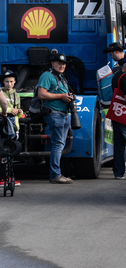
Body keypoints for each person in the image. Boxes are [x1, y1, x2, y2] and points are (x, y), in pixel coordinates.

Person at [38, 53, 74, 184]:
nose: (62, 65)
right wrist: (61, 97)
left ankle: (56, 173)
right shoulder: (47, 76)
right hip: (55, 114)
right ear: (52, 63)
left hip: (63, 114)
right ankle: (55, 175)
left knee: (60, 144)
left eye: (64, 64)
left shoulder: (60, 77)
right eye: (59, 63)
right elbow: (41, 94)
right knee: (58, 145)